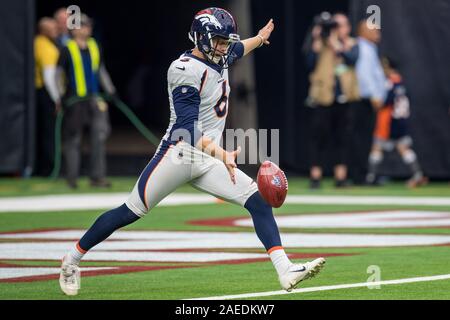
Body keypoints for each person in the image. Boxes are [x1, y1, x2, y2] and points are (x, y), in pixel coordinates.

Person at [59, 7, 325, 296]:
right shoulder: (184, 69)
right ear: (201, 39)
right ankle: (71, 260)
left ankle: (285, 270)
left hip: (208, 159)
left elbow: (237, 49)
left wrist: (260, 38)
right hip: (179, 154)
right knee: (130, 211)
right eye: (219, 41)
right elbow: (187, 128)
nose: (224, 47)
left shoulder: (220, 54)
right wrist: (222, 154)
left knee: (259, 202)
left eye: (225, 41)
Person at [56, 14, 117, 189]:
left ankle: (97, 177)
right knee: (73, 140)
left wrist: (110, 90)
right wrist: (59, 96)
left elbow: (101, 70)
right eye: (83, 26)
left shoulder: (94, 46)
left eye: (88, 26)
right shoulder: (67, 48)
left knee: (99, 135)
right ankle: (72, 179)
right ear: (74, 29)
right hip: (74, 101)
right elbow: (58, 75)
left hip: (94, 99)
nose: (87, 29)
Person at [304, 12, 359, 189]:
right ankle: (315, 176)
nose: (336, 30)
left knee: (342, 137)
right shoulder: (319, 44)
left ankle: (340, 177)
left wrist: (337, 45)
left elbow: (353, 60)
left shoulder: (350, 43)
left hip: (344, 97)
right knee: (318, 136)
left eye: (340, 26)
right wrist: (316, 41)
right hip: (322, 97)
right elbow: (309, 64)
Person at [366, 57, 428, 187]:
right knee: (403, 148)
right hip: (400, 120)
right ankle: (417, 174)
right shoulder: (400, 82)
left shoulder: (390, 82)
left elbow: (385, 102)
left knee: (377, 147)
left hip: (388, 121)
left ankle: (371, 176)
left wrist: (376, 103)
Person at [350, 20, 387, 184]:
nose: (378, 33)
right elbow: (364, 75)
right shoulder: (363, 48)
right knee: (361, 138)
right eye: (374, 30)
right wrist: (374, 95)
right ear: (364, 31)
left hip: (370, 99)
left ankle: (365, 173)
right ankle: (360, 175)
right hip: (364, 99)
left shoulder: (371, 48)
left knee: (366, 138)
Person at [34, 17, 60, 176]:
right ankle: (49, 168)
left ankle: (45, 166)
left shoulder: (38, 42)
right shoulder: (46, 48)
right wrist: (57, 98)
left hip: (40, 92)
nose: (57, 31)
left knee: (44, 131)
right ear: (46, 31)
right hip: (46, 93)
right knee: (50, 132)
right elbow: (49, 76)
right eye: (54, 29)